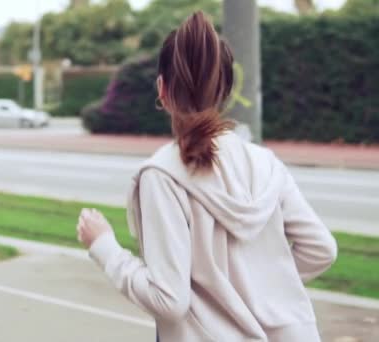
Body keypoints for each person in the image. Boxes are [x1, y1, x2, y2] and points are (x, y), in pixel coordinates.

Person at [76, 11, 337, 342]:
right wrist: (259, 287)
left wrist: (104, 247)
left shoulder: (162, 175)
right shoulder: (266, 163)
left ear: (161, 89)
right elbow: (321, 249)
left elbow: (168, 301)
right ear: (225, 90)